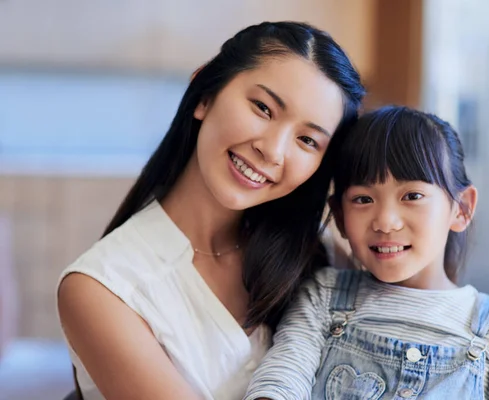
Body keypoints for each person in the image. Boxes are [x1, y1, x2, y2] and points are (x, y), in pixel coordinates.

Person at [56, 21, 365, 400]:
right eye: (263, 108)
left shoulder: (321, 252)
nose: (273, 150)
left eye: (307, 140)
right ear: (204, 94)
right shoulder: (103, 289)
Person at [244, 106, 489, 400]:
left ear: (460, 209)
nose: (385, 222)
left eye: (412, 196)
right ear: (339, 217)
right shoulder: (323, 296)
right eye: (363, 200)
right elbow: (282, 378)